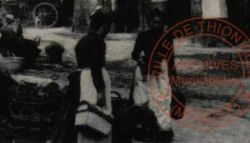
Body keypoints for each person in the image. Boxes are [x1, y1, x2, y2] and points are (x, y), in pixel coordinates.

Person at [47, 10, 113, 143]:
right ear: (103, 26)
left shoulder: (82, 41)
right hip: (94, 78)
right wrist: (100, 90)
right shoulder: (99, 42)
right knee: (97, 111)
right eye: (108, 26)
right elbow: (96, 67)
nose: (108, 29)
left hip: (83, 77)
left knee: (85, 110)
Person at [129, 8, 175, 142]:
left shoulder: (167, 37)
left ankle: (162, 129)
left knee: (163, 98)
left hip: (161, 70)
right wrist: (140, 59)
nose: (157, 25)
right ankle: (144, 128)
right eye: (154, 22)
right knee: (144, 99)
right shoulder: (143, 36)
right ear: (150, 22)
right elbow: (134, 54)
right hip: (145, 71)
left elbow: (171, 58)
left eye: (159, 22)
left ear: (163, 23)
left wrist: (173, 75)